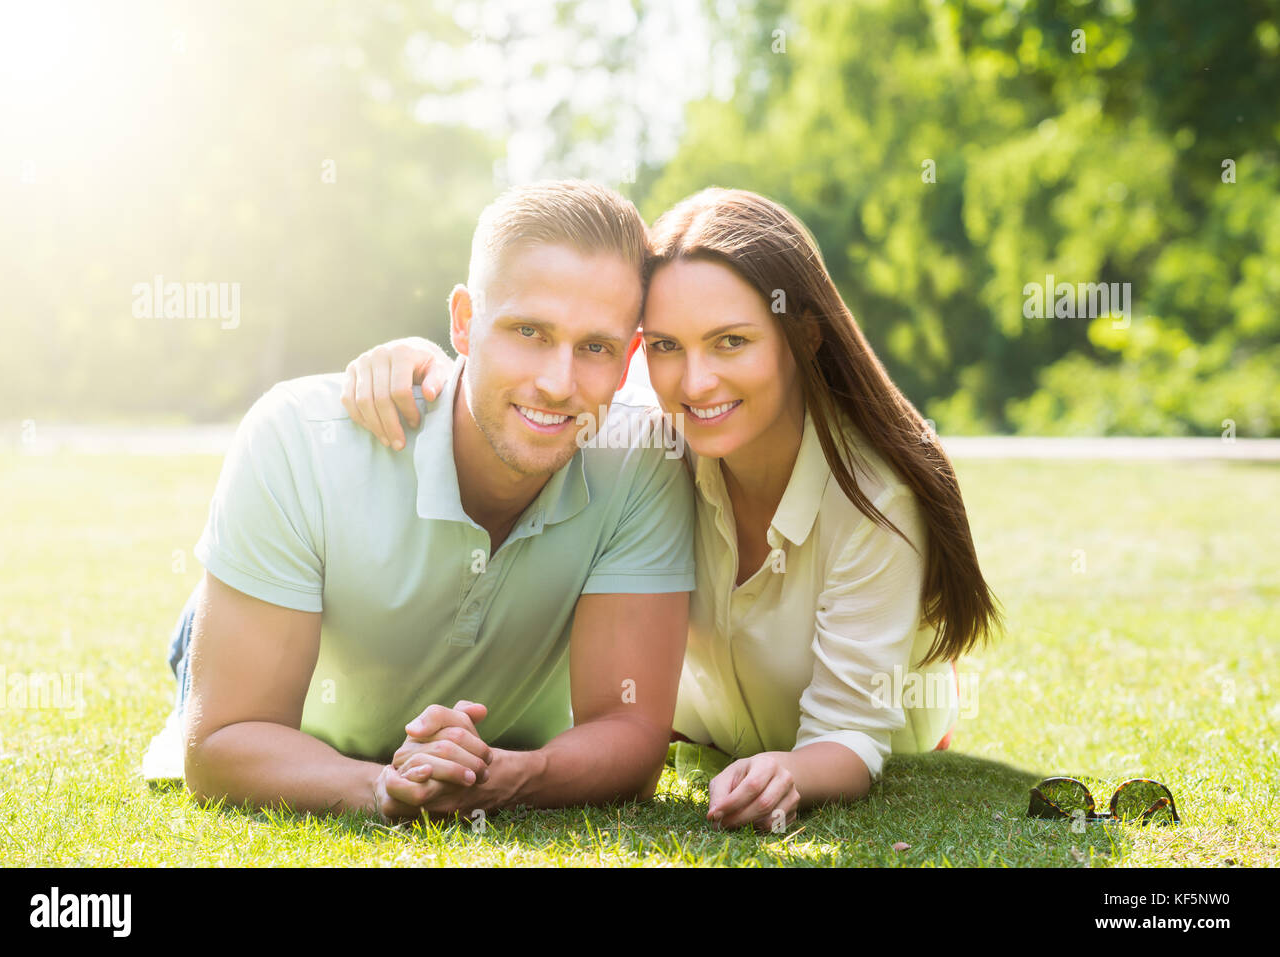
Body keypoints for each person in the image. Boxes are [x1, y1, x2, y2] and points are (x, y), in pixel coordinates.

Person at [343, 187, 1004, 831]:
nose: (694, 383)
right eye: (665, 346)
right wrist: (420, 363)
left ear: (803, 336)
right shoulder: (657, 434)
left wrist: (793, 773)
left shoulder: (875, 497)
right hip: (702, 734)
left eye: (731, 342)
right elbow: (549, 378)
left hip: (883, 750)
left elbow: (850, 735)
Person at [141, 180, 696, 823]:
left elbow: (629, 730)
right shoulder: (294, 437)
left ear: (629, 356)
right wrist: (380, 787)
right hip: (283, 622)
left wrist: (513, 774)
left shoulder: (645, 458)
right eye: (528, 331)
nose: (558, 383)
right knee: (215, 640)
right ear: (463, 322)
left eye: (595, 347)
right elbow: (219, 744)